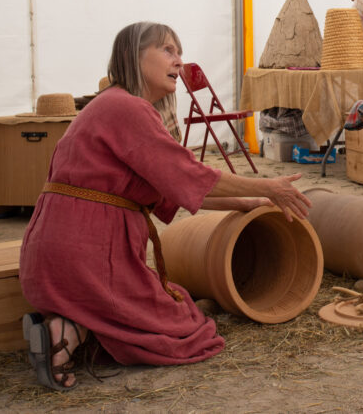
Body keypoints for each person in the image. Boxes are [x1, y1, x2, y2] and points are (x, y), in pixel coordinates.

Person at [19, 22, 312, 391]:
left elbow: (176, 186)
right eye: (168, 51)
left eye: (179, 52)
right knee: (190, 331)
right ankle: (67, 332)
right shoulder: (125, 108)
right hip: (85, 249)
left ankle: (69, 325)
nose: (179, 61)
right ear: (134, 57)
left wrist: (252, 201)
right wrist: (268, 186)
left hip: (60, 246)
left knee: (178, 308)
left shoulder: (114, 105)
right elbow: (187, 174)